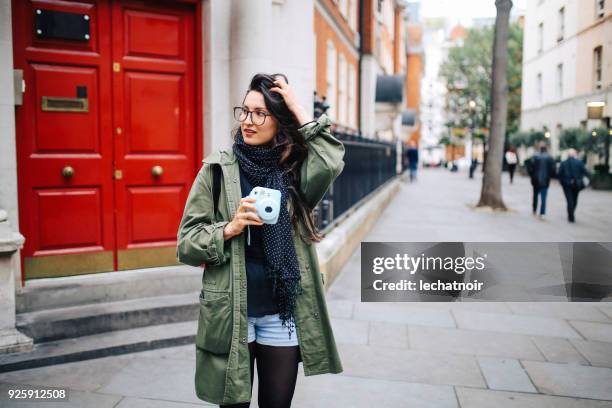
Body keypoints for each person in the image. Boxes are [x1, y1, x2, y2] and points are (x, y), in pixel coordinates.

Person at [176, 73, 344, 407]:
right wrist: (229, 228)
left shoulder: (295, 173)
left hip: (281, 311)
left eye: (260, 113)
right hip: (232, 309)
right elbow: (186, 242)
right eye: (245, 111)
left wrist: (297, 107)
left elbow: (330, 159)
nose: (248, 121)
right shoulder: (217, 170)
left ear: (278, 122)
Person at [558, 148, 589, 223]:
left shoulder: (563, 163)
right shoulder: (579, 163)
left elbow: (559, 174)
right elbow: (585, 172)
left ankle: (570, 215)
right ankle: (571, 214)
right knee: (574, 200)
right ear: (575, 154)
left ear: (568, 155)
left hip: (567, 185)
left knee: (569, 200)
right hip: (576, 184)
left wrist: (563, 182)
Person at [525, 144, 556, 219]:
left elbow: (529, 166)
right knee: (543, 197)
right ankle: (542, 212)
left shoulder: (535, 157)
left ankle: (534, 209)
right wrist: (550, 176)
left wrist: (532, 175)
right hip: (545, 180)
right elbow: (553, 169)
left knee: (535, 195)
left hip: (535, 180)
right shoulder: (549, 158)